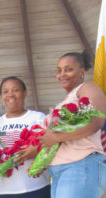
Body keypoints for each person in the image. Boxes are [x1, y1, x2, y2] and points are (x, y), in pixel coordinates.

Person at [37, 51, 106, 198]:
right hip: (60, 171)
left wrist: (56, 137)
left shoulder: (87, 88)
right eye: (59, 70)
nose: (62, 74)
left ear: (81, 71)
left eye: (68, 69)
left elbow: (96, 122)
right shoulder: (66, 100)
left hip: (82, 165)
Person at [0, 76, 50, 198]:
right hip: (2, 192)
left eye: (15, 90)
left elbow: (52, 145)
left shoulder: (38, 118)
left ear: (25, 93)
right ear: (1, 97)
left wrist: (37, 151)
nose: (10, 95)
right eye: (5, 91)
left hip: (35, 188)